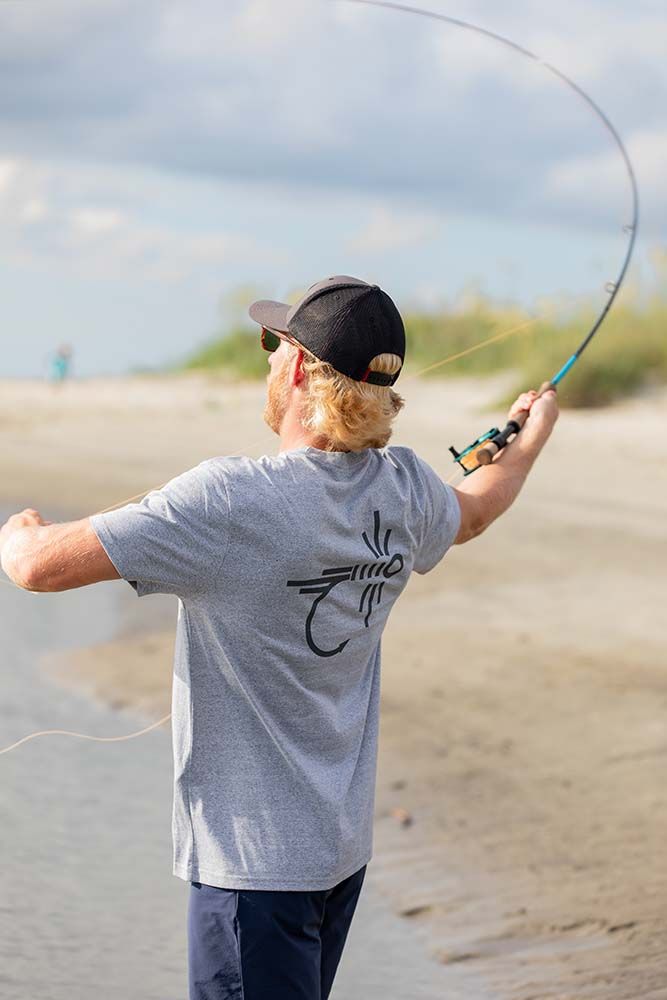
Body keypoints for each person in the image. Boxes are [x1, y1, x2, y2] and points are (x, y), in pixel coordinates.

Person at [0, 275, 558, 999]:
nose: (267, 357)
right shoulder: (405, 486)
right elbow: (476, 511)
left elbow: (36, 569)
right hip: (338, 854)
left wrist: (19, 530)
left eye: (274, 344)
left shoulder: (230, 499)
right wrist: (528, 438)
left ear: (297, 370)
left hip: (252, 868)